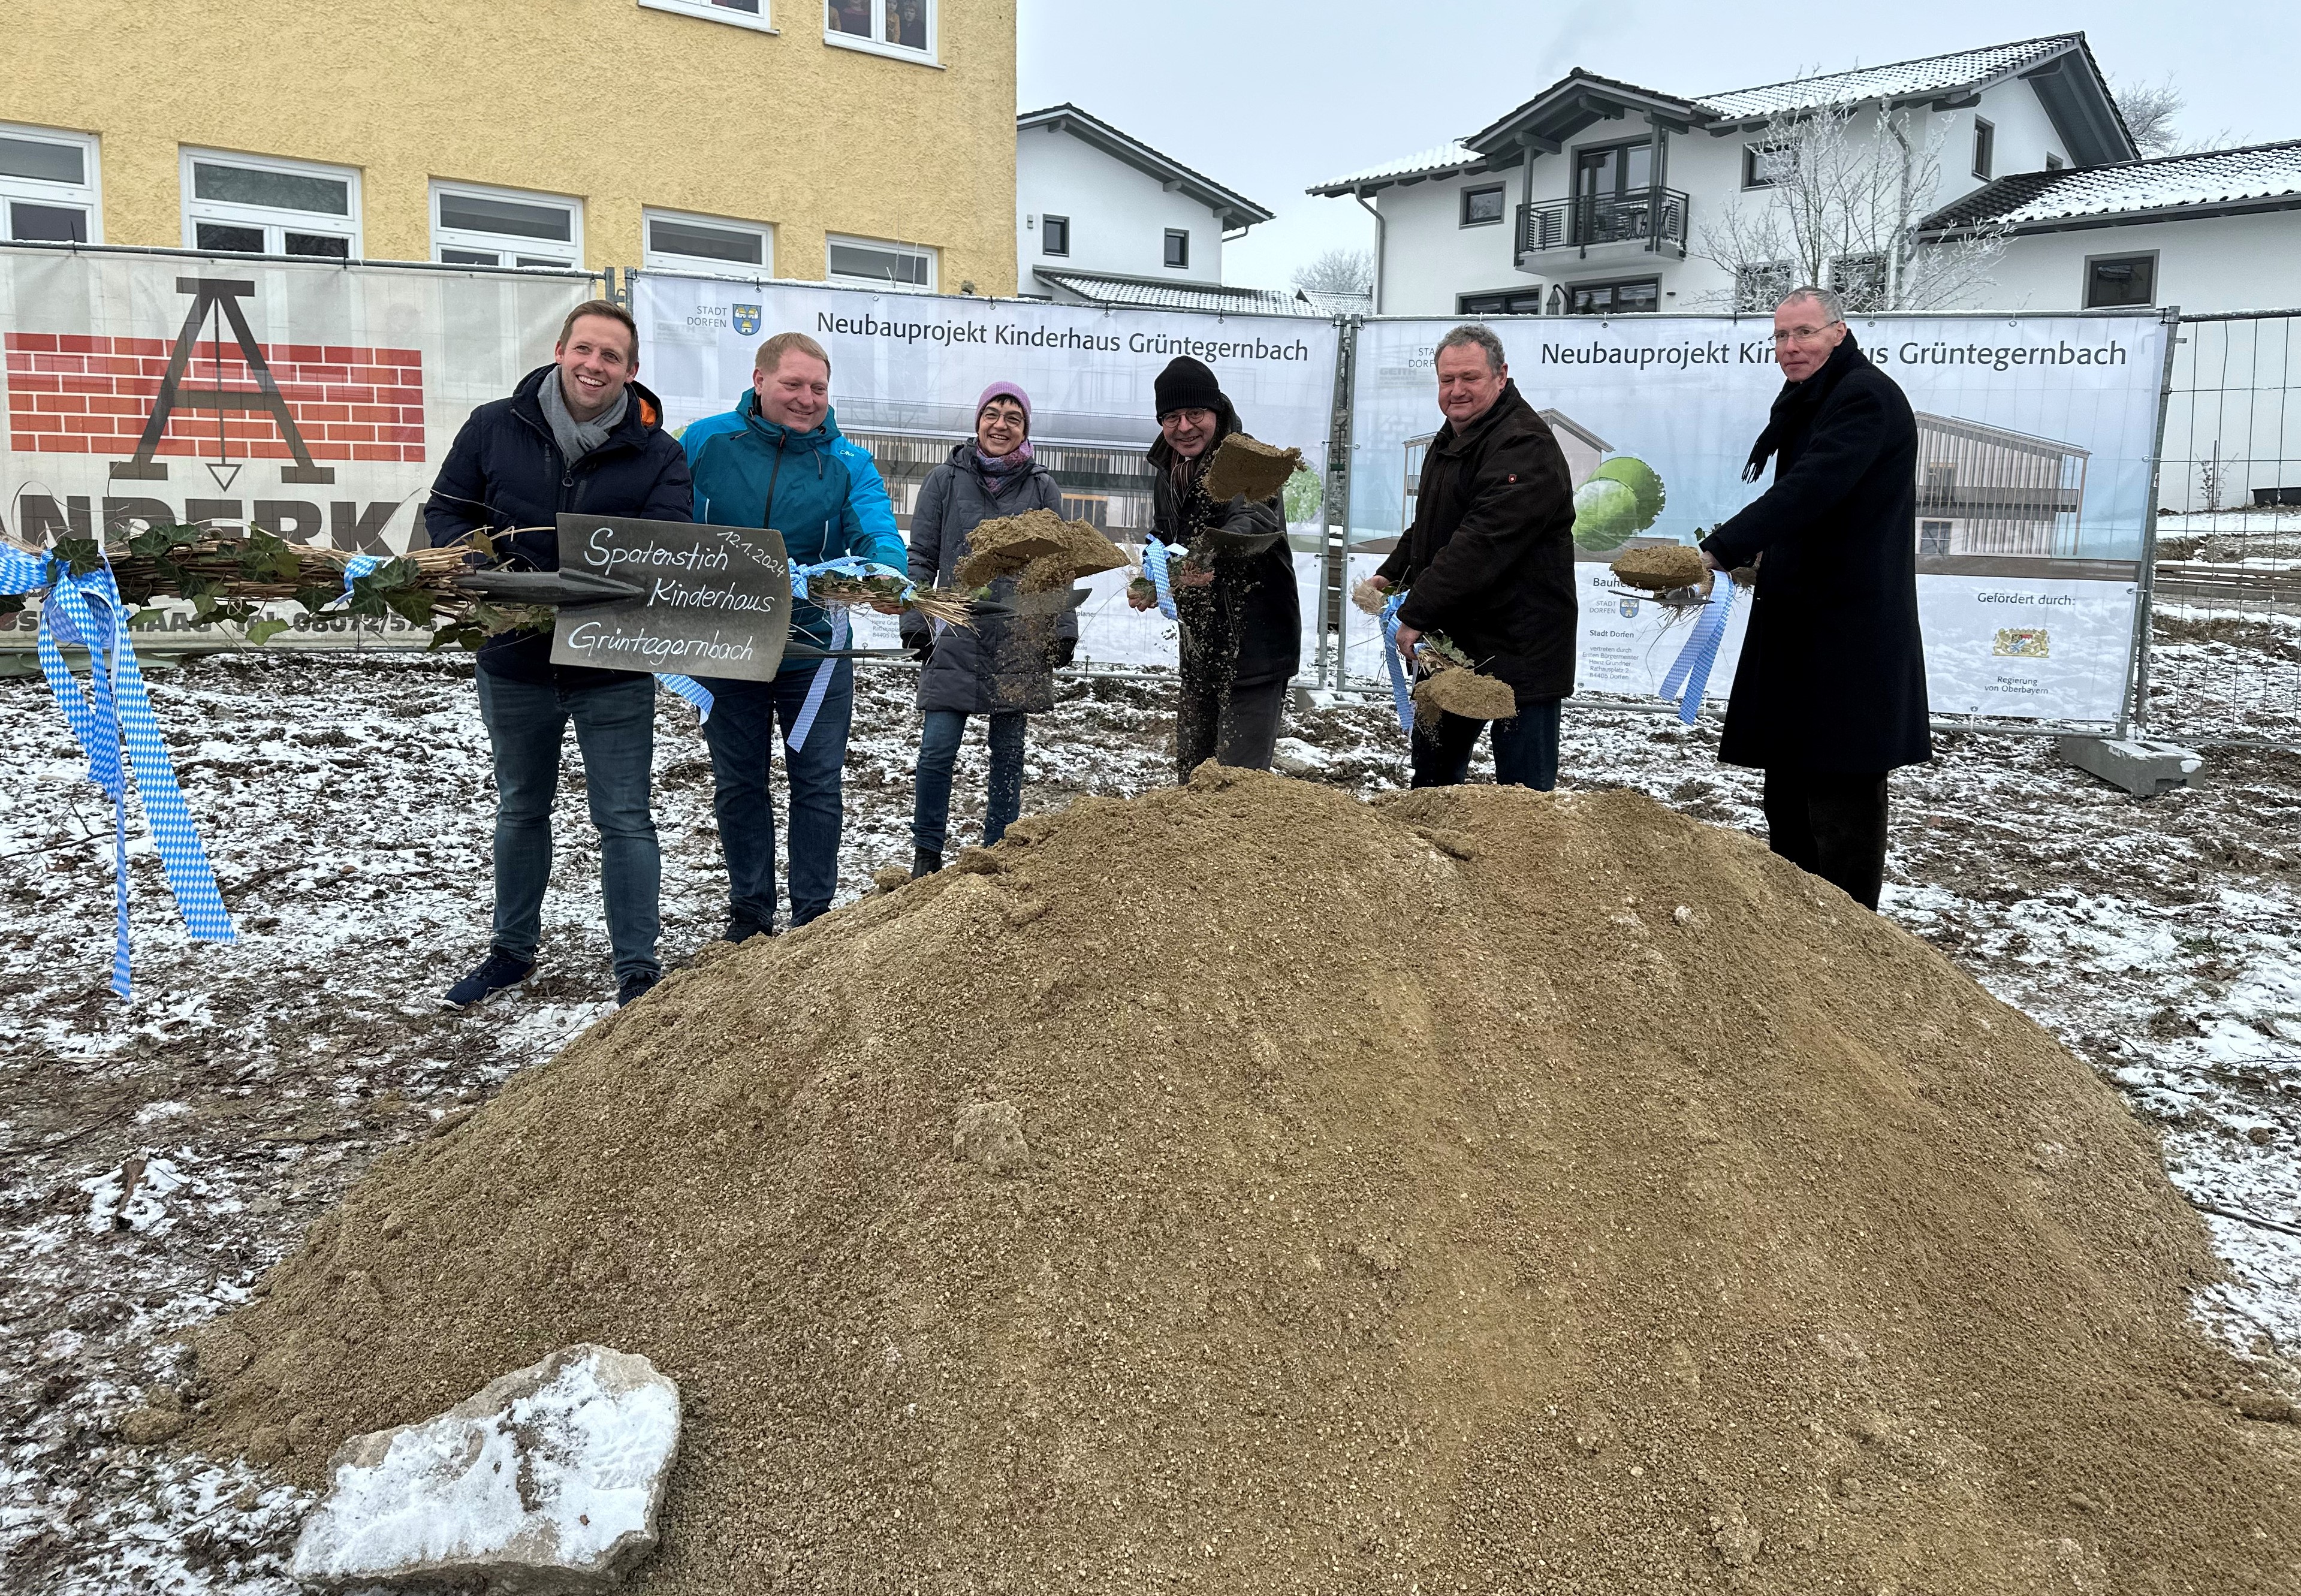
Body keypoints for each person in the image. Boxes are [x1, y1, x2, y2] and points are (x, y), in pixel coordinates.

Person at [425, 299, 692, 1009]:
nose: (594, 365)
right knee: (520, 807)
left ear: (631, 371)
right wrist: (479, 569)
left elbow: (665, 547)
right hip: (514, 658)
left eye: (611, 356)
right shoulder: (493, 425)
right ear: (560, 349)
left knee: (625, 816)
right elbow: (447, 509)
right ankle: (511, 952)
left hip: (612, 667)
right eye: (585, 349)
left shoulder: (658, 453)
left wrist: (602, 586)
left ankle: (637, 968)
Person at [1697, 285, 1930, 911]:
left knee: (1839, 787)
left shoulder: (1862, 397)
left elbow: (1810, 489)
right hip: (1804, 618)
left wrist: (1720, 548)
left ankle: (1851, 936)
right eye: (1779, 335)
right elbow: (1816, 511)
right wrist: (1761, 556)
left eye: (1802, 333)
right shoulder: (1808, 399)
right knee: (1789, 784)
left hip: (1846, 629)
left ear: (1838, 331)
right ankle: (1797, 928)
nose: (1789, 347)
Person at [683, 331, 905, 940]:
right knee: (738, 781)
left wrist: (881, 572)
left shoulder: (848, 462)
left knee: (817, 781)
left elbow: (879, 534)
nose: (806, 399)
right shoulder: (704, 443)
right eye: (792, 384)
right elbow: (663, 519)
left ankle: (812, 915)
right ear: (758, 381)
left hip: (813, 650)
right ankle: (750, 911)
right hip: (724, 644)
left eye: (818, 388)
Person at [1366, 323, 1576, 789]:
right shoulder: (1455, 435)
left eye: (1469, 378)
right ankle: (1432, 862)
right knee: (1433, 783)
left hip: (1518, 651)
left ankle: (1526, 865)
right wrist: (1394, 570)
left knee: (1522, 801)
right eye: (1446, 380)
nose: (1456, 390)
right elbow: (1439, 522)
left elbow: (1484, 540)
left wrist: (1418, 608)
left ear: (1501, 376)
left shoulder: (1524, 444)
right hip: (1451, 647)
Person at [902, 382, 1076, 876]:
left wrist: (1061, 628)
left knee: (1008, 751)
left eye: (1013, 417)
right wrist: (917, 620)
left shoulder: (1041, 486)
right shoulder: (944, 479)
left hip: (1020, 632)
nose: (1001, 425)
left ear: (1025, 428)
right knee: (937, 748)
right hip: (957, 628)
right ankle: (926, 855)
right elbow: (922, 556)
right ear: (977, 421)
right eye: (992, 414)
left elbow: (1060, 564)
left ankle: (997, 850)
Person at [1127, 355, 1296, 779]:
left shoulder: (1247, 456)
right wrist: (1153, 575)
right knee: (1192, 778)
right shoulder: (1169, 469)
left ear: (1216, 411)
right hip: (1202, 646)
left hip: (1254, 645)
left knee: (1235, 787)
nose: (1183, 427)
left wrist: (1204, 555)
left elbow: (1252, 520)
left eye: (1195, 414)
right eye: (1171, 417)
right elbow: (1164, 536)